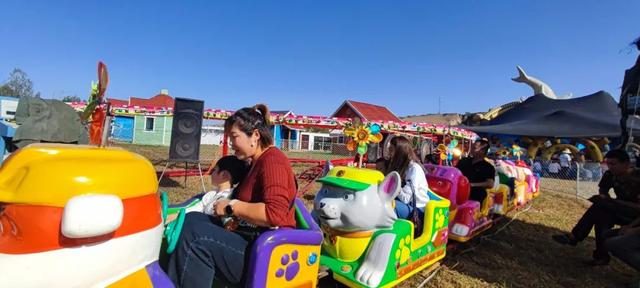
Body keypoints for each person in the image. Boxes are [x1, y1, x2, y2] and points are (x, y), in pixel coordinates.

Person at [166, 104, 298, 287]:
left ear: (256, 135)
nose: (231, 143)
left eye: (234, 137)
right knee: (191, 220)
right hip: (249, 239)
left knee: (195, 237)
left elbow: (274, 214)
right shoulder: (256, 162)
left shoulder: (273, 162)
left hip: (263, 252)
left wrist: (231, 206)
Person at [552, 149, 640, 266]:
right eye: (608, 163)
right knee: (602, 215)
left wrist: (612, 201)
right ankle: (600, 256)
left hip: (636, 216)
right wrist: (605, 198)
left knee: (601, 207)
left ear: (626, 164)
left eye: (613, 164)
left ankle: (575, 237)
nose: (610, 167)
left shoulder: (638, 177)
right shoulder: (610, 174)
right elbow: (603, 189)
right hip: (619, 209)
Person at [181, 155, 250, 216]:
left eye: (214, 170)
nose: (211, 173)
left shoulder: (228, 197)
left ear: (225, 175)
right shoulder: (212, 194)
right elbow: (195, 208)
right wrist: (177, 215)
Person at [384, 136, 430, 219]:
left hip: (417, 210)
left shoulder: (414, 169)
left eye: (391, 150)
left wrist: (394, 186)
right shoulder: (400, 167)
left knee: (388, 205)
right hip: (406, 205)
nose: (389, 153)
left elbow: (406, 198)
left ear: (399, 152)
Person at [455, 138, 495, 204]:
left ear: (482, 151)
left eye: (474, 147)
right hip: (458, 191)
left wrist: (471, 184)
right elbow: (456, 172)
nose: (471, 149)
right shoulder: (464, 160)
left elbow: (490, 184)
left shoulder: (488, 167)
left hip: (475, 195)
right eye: (472, 147)